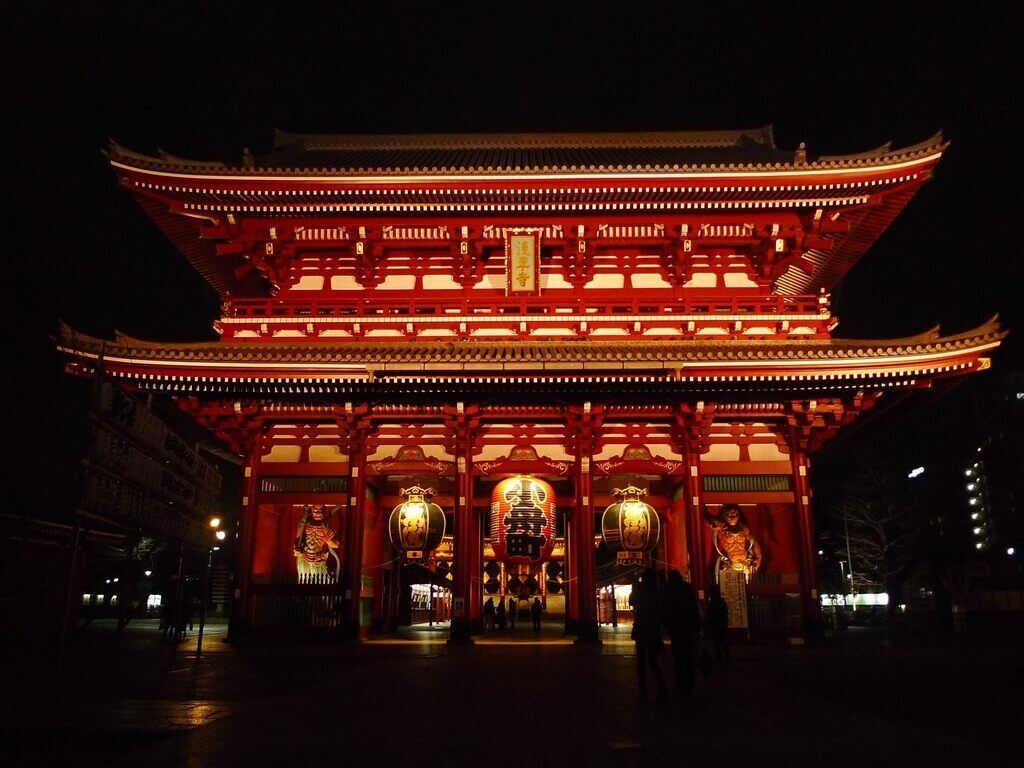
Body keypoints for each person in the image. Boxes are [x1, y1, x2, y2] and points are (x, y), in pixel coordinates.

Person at [629, 568, 668, 702]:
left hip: (641, 628)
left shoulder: (640, 590)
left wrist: (635, 587)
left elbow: (631, 601)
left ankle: (643, 690)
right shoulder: (658, 592)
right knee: (652, 661)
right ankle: (662, 686)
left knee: (641, 662)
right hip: (653, 629)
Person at [661, 570, 701, 698]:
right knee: (689, 657)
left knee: (678, 657)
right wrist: (697, 627)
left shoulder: (667, 590)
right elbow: (694, 608)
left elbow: (663, 610)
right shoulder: (686, 588)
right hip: (689, 628)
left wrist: (667, 626)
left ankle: (679, 682)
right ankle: (690, 684)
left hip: (675, 629)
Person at [707, 583, 730, 663]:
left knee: (716, 643)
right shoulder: (721, 601)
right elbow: (725, 612)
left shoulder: (711, 603)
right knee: (723, 642)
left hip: (715, 625)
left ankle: (719, 658)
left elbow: (709, 614)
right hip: (722, 624)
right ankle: (727, 657)